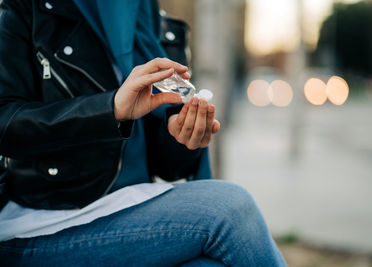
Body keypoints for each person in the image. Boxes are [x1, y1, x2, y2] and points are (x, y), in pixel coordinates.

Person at [0, 0, 287, 266]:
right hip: (45, 219)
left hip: (134, 203)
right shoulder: (27, 8)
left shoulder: (156, 23)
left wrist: (181, 137)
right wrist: (109, 109)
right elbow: (5, 122)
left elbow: (171, 168)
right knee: (230, 208)